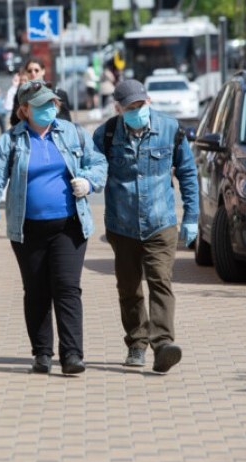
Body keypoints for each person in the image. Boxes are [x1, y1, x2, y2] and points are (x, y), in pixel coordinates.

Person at [0, 79, 107, 375]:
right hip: (28, 230)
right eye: (42, 105)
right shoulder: (11, 140)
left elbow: (98, 162)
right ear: (24, 110)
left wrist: (89, 181)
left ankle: (72, 354)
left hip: (69, 227)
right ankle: (42, 353)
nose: (50, 108)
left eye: (52, 103)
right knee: (36, 291)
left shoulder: (72, 133)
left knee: (67, 288)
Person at [92, 79, 199, 374]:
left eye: (142, 105)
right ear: (119, 108)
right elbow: (95, 168)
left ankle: (163, 344)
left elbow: (188, 173)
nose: (138, 111)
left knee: (160, 280)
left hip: (160, 222)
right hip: (122, 225)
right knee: (128, 287)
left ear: (149, 101)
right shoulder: (107, 134)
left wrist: (191, 217)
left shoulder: (170, 129)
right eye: (131, 107)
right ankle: (136, 343)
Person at [10, 58, 71, 126]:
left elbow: (66, 120)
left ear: (43, 71)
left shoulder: (58, 93)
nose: (33, 73)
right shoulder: (20, 94)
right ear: (26, 73)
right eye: (29, 71)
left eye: (36, 70)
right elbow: (14, 120)